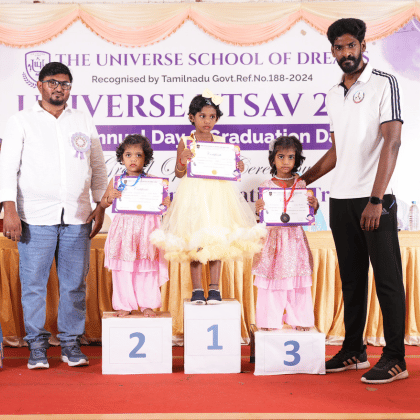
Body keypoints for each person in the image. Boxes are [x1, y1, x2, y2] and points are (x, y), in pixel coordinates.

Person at [300, 18, 407, 384]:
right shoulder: (333, 93)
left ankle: (395, 357)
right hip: (341, 199)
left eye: (351, 45)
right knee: (352, 279)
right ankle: (353, 350)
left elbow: (392, 141)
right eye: (339, 47)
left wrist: (376, 199)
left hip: (375, 198)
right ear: (332, 51)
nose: (345, 52)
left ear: (363, 45)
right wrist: (303, 180)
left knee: (388, 279)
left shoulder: (383, 83)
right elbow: (337, 150)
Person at [0, 62, 107, 369]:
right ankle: (37, 346)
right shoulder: (21, 121)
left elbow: (97, 166)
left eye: (65, 84)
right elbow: (7, 167)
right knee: (33, 285)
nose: (59, 88)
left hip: (78, 216)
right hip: (34, 217)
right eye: (53, 82)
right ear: (40, 85)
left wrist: (100, 205)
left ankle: (71, 343)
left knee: (74, 285)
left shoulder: (82, 119)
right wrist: (9, 209)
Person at [151, 90, 266, 304]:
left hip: (217, 195)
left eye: (212, 117)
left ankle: (214, 288)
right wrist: (182, 160)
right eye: (202, 116)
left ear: (217, 119)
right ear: (192, 117)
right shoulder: (185, 140)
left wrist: (237, 166)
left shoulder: (221, 141)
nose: (207, 121)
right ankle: (197, 289)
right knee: (194, 239)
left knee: (217, 239)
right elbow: (179, 173)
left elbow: (229, 169)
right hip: (193, 195)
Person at [253, 136, 318, 331]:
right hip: (274, 240)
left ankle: (301, 320)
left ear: (296, 159)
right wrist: (259, 210)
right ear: (273, 159)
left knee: (298, 281)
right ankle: (269, 321)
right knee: (272, 280)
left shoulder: (301, 185)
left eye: (291, 157)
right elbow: (262, 219)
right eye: (281, 156)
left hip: (294, 239)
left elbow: (308, 214)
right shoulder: (266, 185)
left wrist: (314, 205)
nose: (286, 161)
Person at [101, 134, 170, 317]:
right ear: (121, 158)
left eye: (138, 155)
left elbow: (163, 208)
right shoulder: (117, 181)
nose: (133, 159)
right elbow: (104, 203)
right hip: (123, 231)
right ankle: (124, 304)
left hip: (147, 230)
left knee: (146, 267)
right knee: (123, 268)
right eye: (128, 155)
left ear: (146, 159)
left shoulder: (154, 181)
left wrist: (166, 203)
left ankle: (147, 304)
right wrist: (110, 198)